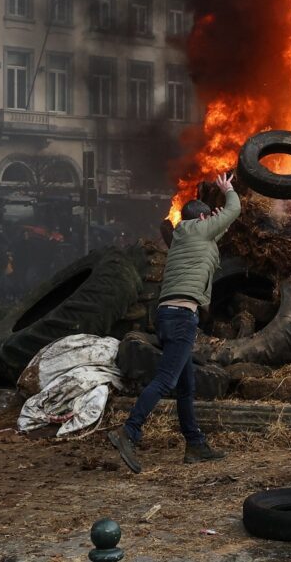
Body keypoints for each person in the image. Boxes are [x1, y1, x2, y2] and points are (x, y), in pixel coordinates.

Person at [108, 172, 241, 473]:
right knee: (166, 380)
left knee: (186, 386)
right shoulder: (198, 232)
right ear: (203, 218)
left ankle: (195, 444)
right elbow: (234, 211)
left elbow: (219, 230)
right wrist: (228, 189)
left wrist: (216, 218)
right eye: (209, 218)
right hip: (182, 316)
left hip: (168, 313)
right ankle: (128, 431)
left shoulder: (185, 234)